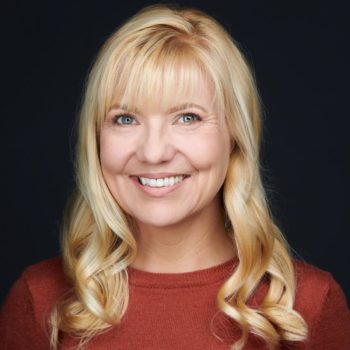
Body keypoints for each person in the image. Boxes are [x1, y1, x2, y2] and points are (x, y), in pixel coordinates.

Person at [0, 4, 349, 350]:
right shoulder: (40, 301)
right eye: (125, 119)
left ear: (235, 138)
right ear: (96, 139)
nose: (153, 153)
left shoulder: (308, 306)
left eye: (187, 118)